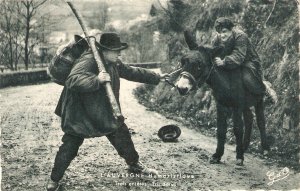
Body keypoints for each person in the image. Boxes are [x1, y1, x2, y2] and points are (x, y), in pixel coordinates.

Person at [46, 32, 168, 191]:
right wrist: (97, 80)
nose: (119, 53)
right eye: (116, 50)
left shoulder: (113, 62)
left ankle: (134, 164)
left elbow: (131, 71)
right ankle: (54, 179)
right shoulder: (89, 60)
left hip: (102, 109)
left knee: (121, 134)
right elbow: (72, 80)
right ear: (104, 50)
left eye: (119, 50)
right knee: (70, 144)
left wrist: (156, 77)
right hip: (79, 112)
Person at [212, 17, 266, 95]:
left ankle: (265, 91)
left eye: (224, 31)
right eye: (219, 32)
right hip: (228, 65)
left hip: (247, 63)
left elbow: (239, 55)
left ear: (231, 29)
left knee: (248, 80)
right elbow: (213, 54)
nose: (222, 35)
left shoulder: (241, 36)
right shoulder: (216, 40)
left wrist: (224, 61)